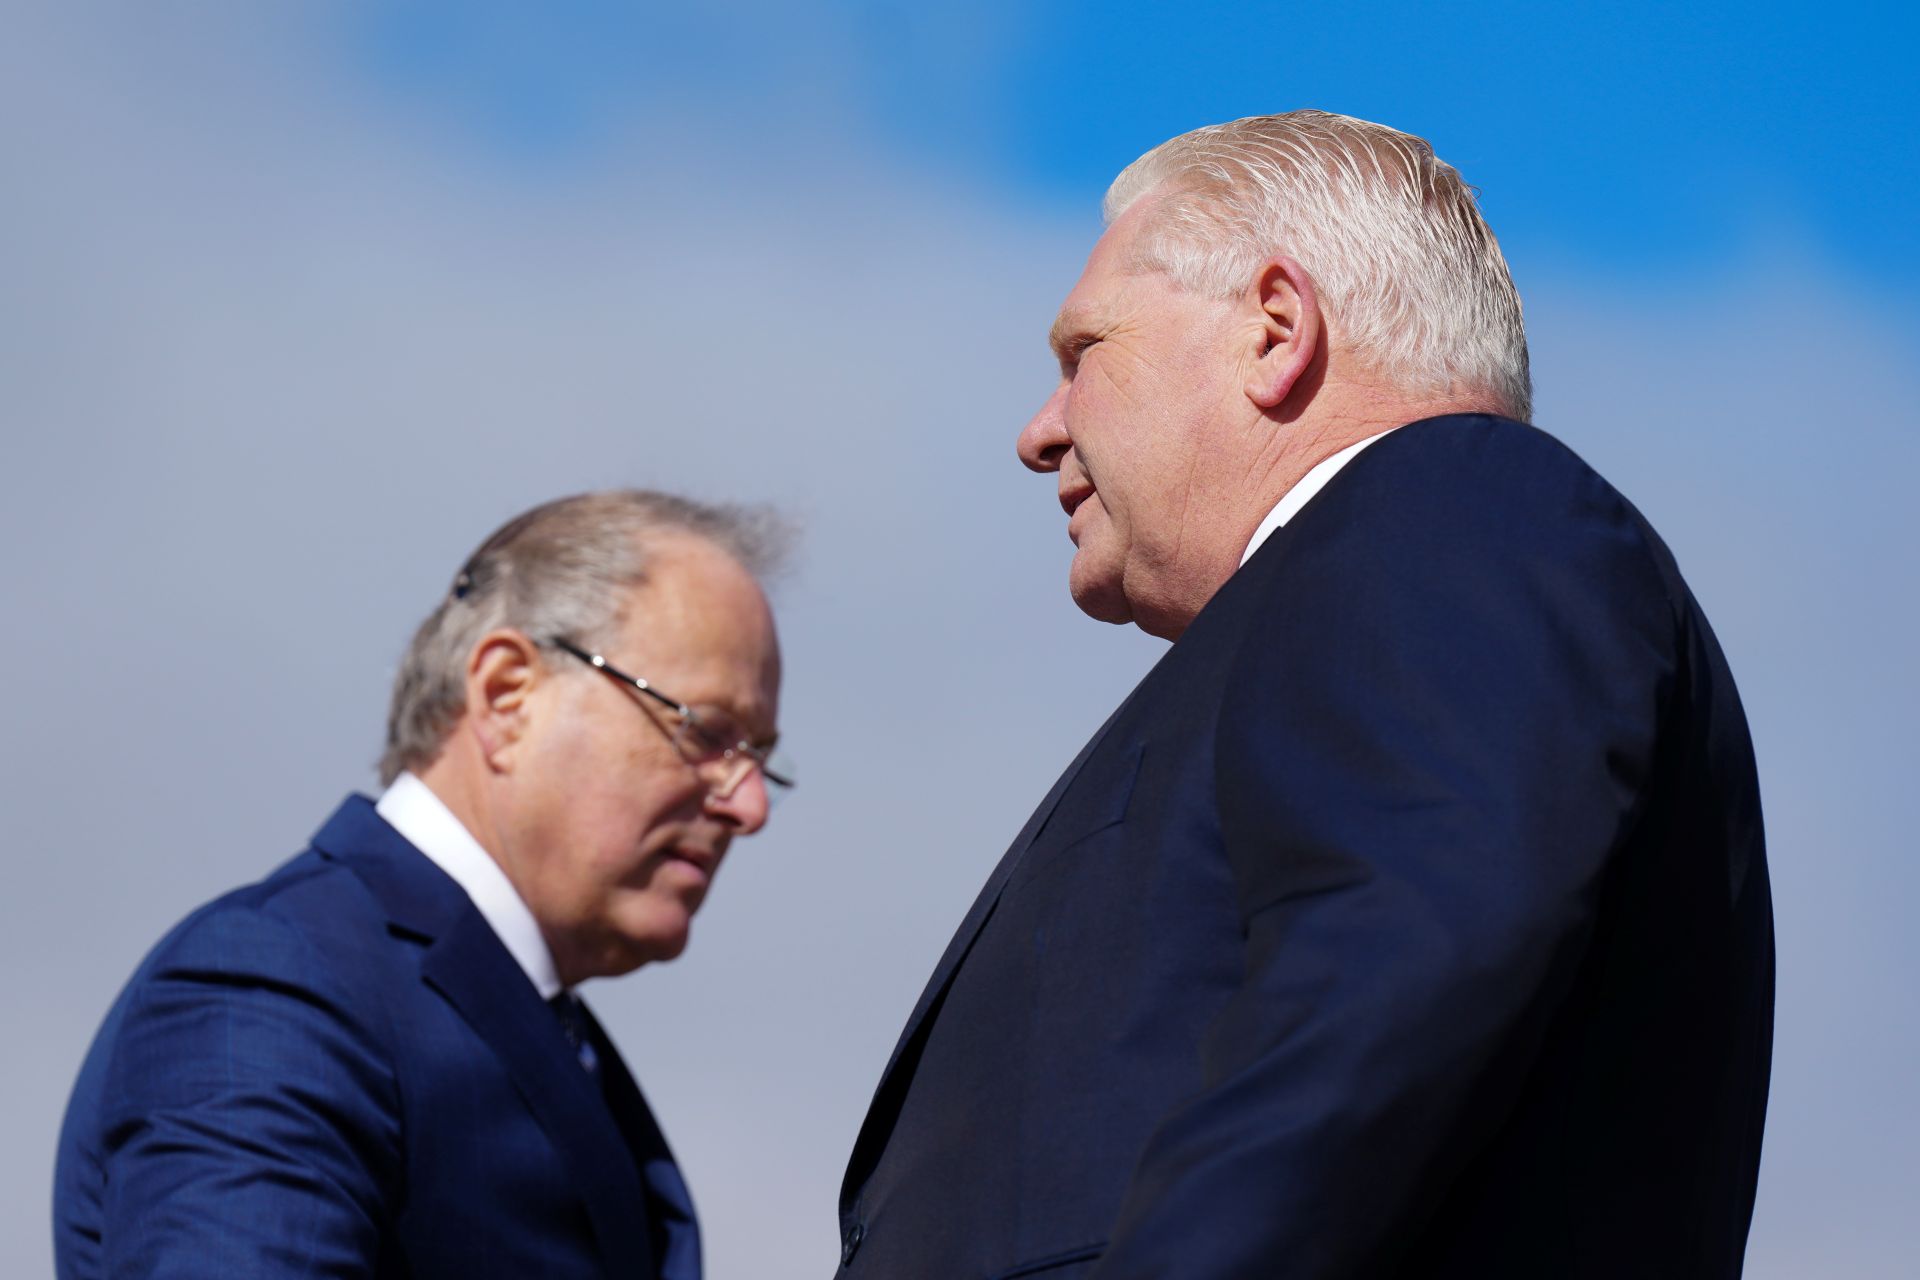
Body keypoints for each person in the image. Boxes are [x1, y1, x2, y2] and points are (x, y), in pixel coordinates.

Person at [835, 111, 1772, 1278]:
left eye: (1083, 353)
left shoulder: (1454, 507)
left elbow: (1401, 959)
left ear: (1277, 330)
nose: (1040, 430)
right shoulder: (1381, 578)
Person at [56, 490, 791, 1280]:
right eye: (707, 733)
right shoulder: (281, 984)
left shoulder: (518, 1026)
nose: (748, 806)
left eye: (761, 758)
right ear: (508, 695)